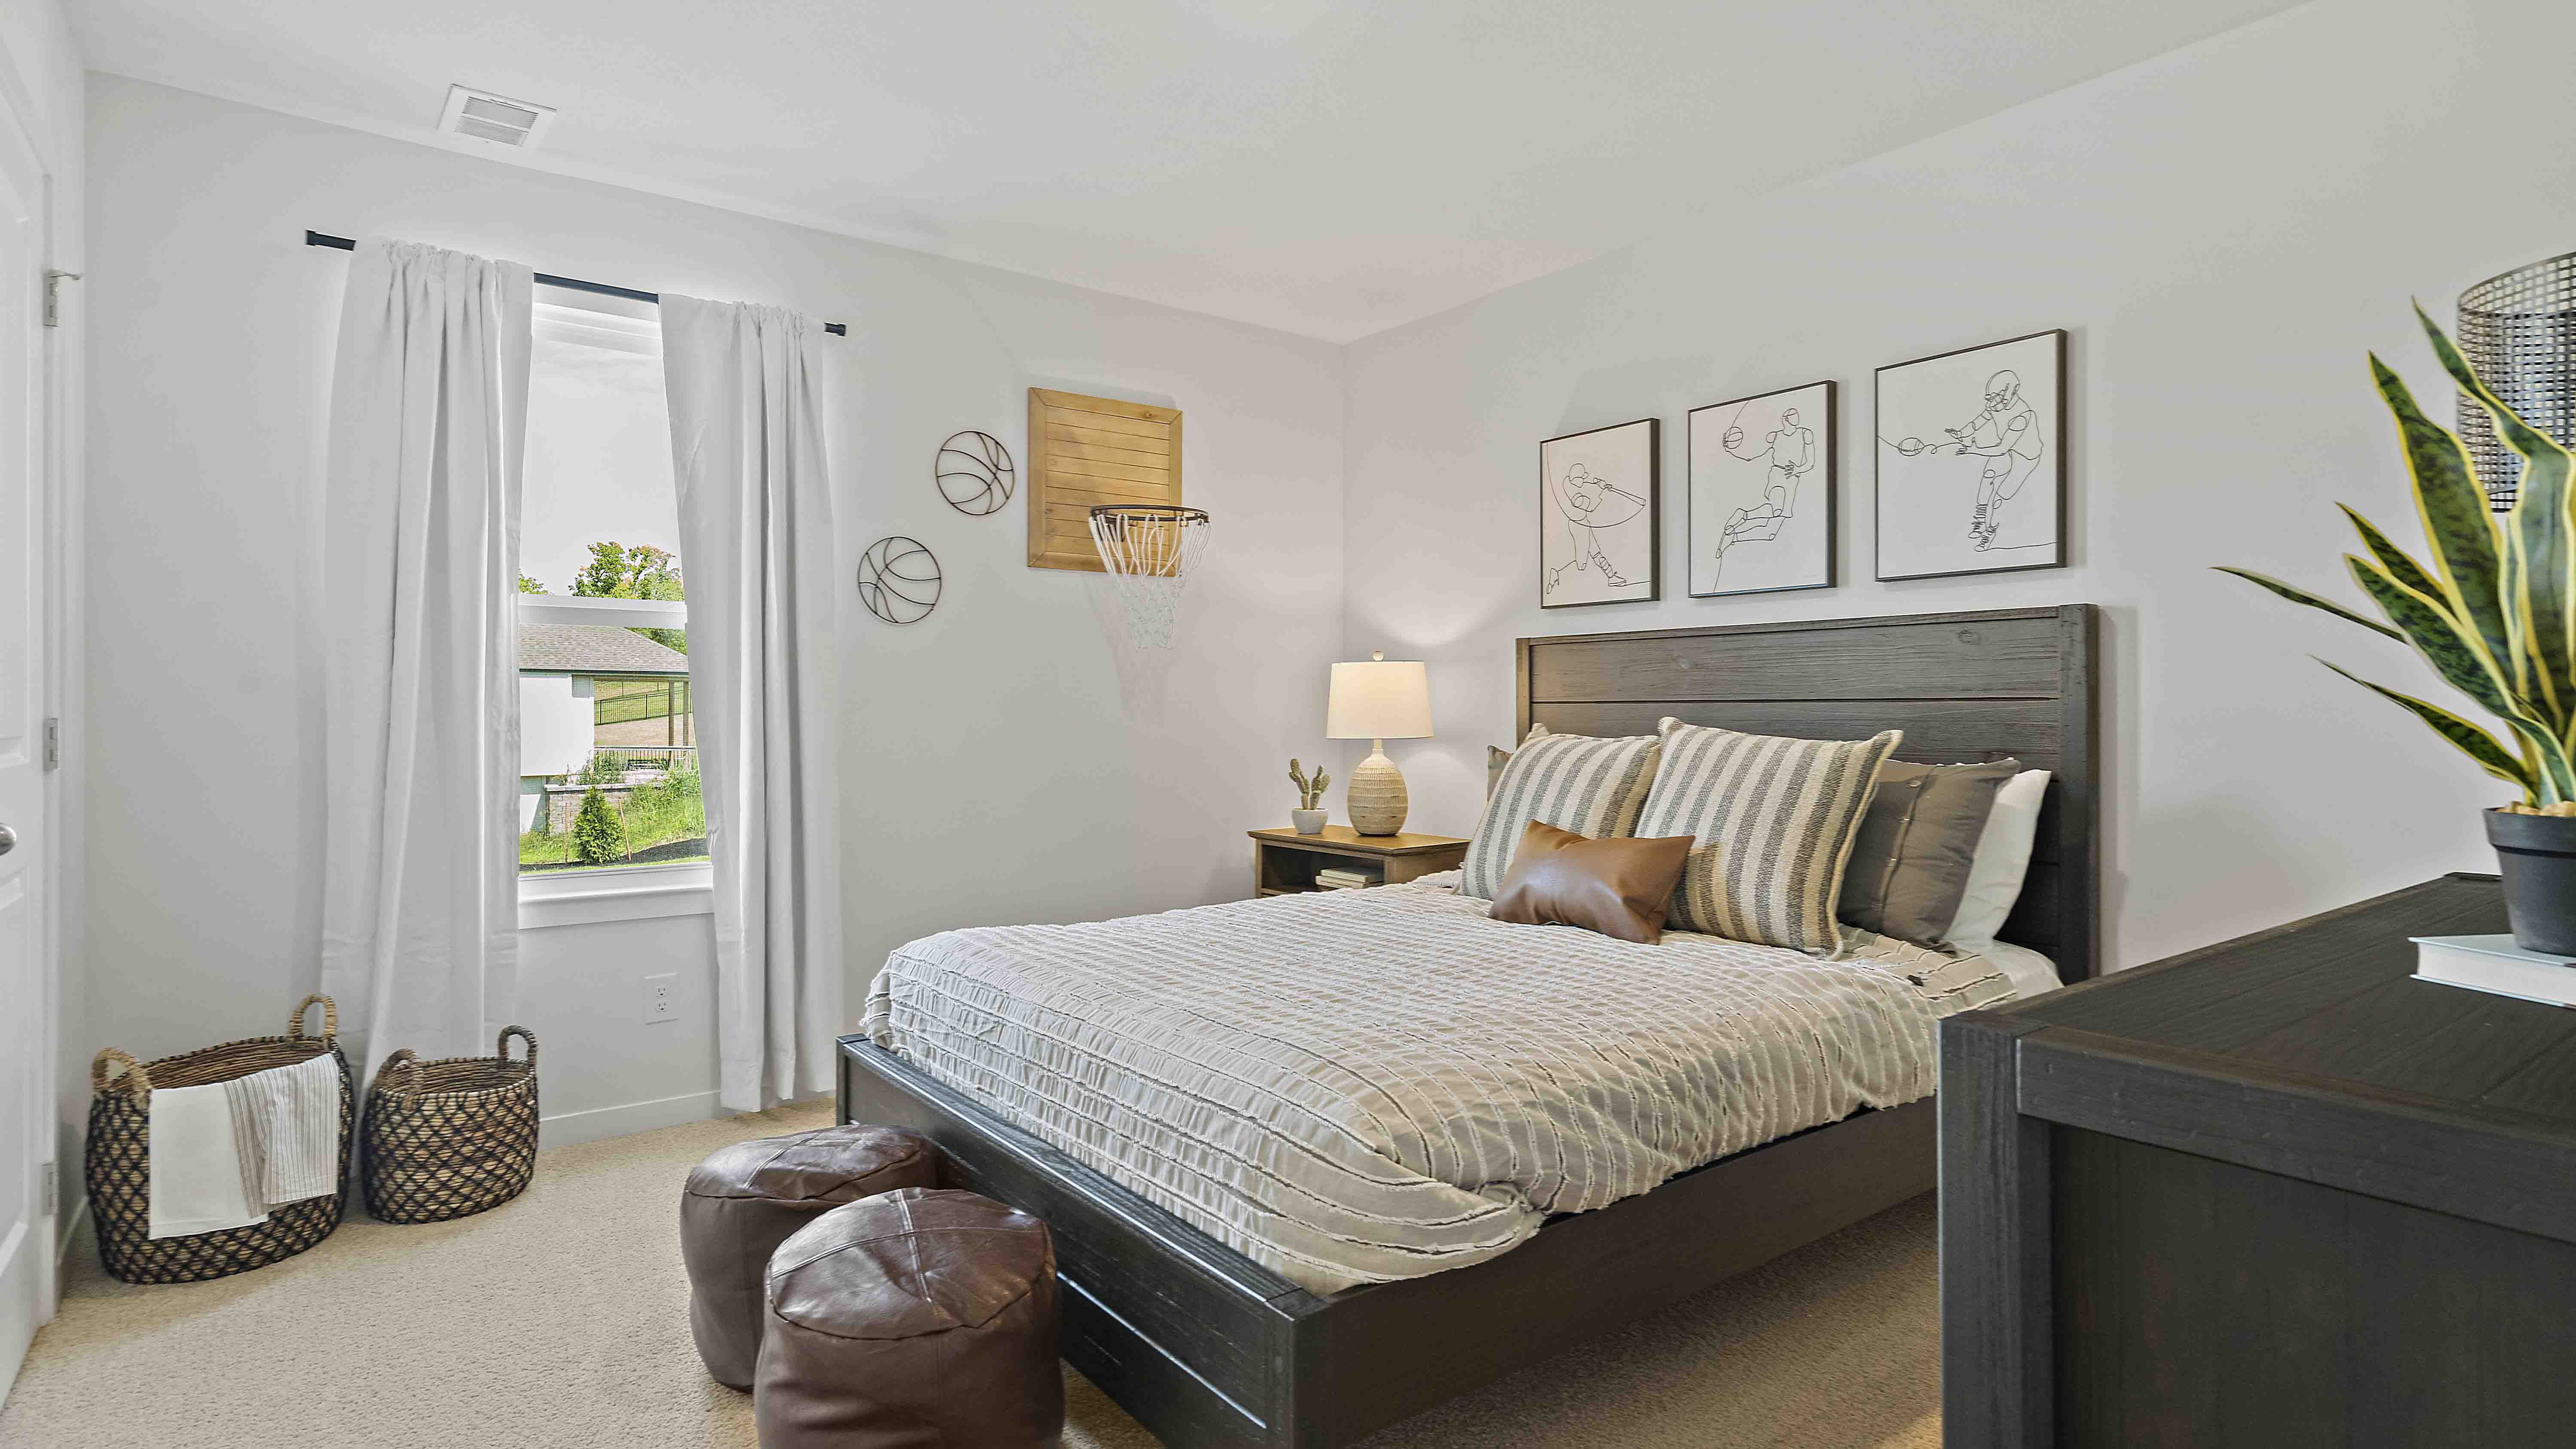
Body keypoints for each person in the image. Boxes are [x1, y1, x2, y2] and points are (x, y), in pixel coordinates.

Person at [1932, 369, 2044, 550]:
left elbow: (2001, 449)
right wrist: (1962, 433)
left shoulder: (2022, 416)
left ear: (2009, 394)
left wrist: (1973, 450)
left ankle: (1990, 533)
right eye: (1990, 398)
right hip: (2009, 452)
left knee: (2001, 498)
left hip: (2025, 458)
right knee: (1989, 474)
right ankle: (1980, 521)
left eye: (1996, 398)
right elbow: (1978, 422)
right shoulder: (1994, 406)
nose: (1991, 404)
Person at [1711, 407, 1817, 580]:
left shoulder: (1806, 434)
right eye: (1790, 416)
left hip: (1793, 479)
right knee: (1776, 509)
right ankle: (1744, 516)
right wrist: (1730, 450)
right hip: (1777, 475)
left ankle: (1735, 535)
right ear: (1785, 419)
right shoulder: (1774, 436)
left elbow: (1810, 463)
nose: (1794, 418)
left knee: (1770, 533)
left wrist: (1798, 469)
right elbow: (1753, 455)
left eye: (1795, 416)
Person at [1546, 462, 1639, 592]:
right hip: (1579, 526)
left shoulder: (1573, 484)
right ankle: (1556, 572)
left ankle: (1611, 577)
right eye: (1580, 479)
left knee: (1595, 553)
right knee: (1581, 561)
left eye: (1582, 479)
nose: (1582, 482)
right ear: (1574, 479)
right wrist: (1600, 493)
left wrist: (1600, 485)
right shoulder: (1574, 492)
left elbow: (1588, 485)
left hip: (1583, 523)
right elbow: (1587, 505)